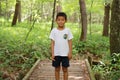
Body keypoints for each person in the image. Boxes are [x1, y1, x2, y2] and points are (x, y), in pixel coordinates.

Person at [49, 12, 73, 80]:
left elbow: (70, 41)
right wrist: (52, 53)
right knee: (57, 69)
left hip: (65, 54)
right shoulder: (54, 31)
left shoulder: (67, 31)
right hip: (57, 54)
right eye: (59, 20)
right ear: (56, 21)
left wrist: (70, 52)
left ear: (65, 20)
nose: (60, 21)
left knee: (65, 69)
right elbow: (52, 43)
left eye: (62, 20)